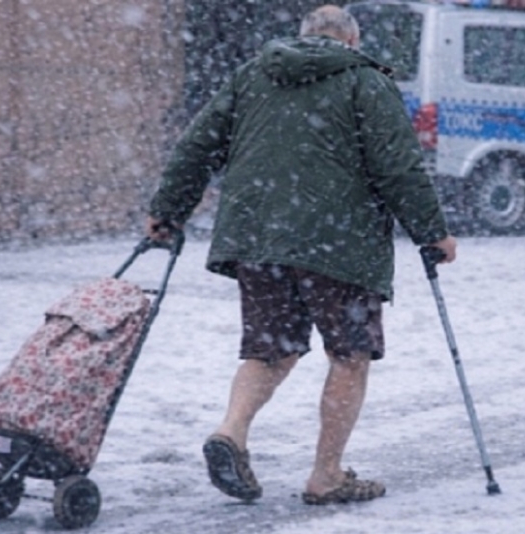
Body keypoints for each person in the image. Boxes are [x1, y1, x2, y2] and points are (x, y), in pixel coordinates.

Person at [146, 5, 457, 505]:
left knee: (270, 350)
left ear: (302, 38)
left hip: (258, 239)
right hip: (339, 241)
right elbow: (398, 166)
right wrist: (432, 232)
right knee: (350, 356)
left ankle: (230, 431)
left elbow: (197, 146)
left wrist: (168, 210)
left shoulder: (253, 75)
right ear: (351, 41)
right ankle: (326, 475)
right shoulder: (364, 81)